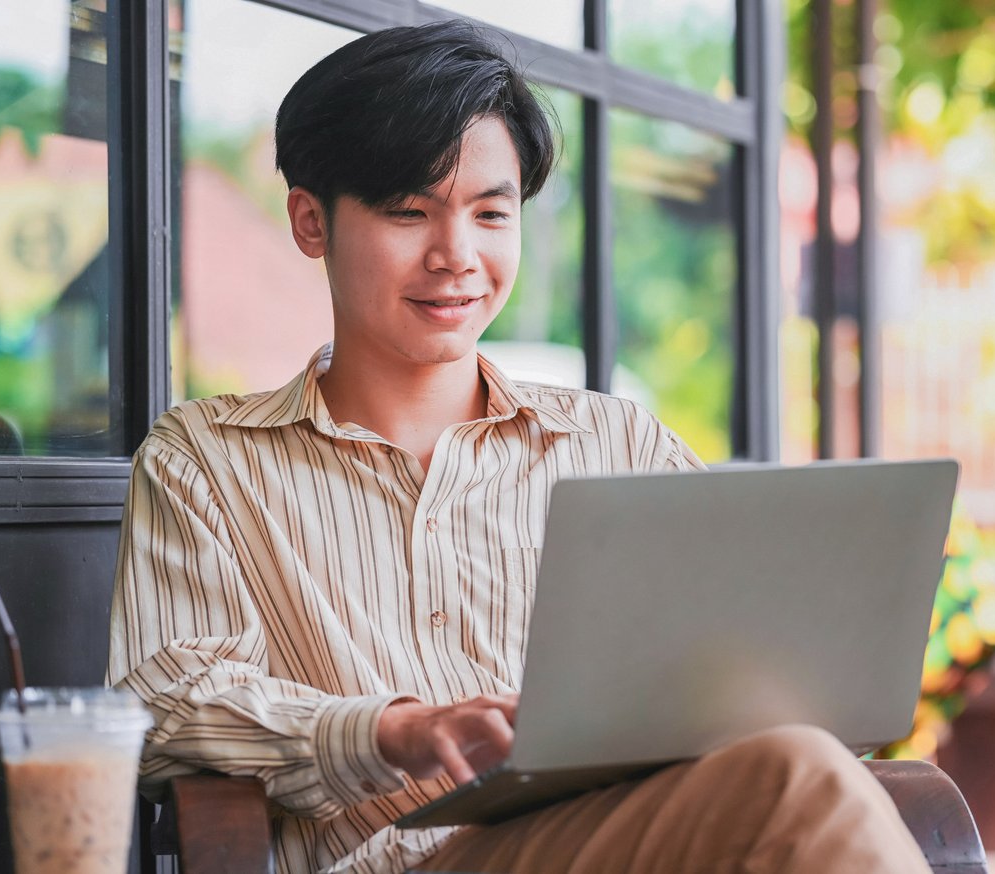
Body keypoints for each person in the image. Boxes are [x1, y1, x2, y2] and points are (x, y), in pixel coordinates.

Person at [107, 20, 931, 874]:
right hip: (396, 862)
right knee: (794, 780)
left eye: (490, 214)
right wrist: (399, 730)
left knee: (798, 767)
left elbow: (753, 662)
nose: (456, 257)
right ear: (312, 222)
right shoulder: (205, 460)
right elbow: (163, 704)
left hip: (625, 842)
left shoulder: (615, 441)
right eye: (407, 212)